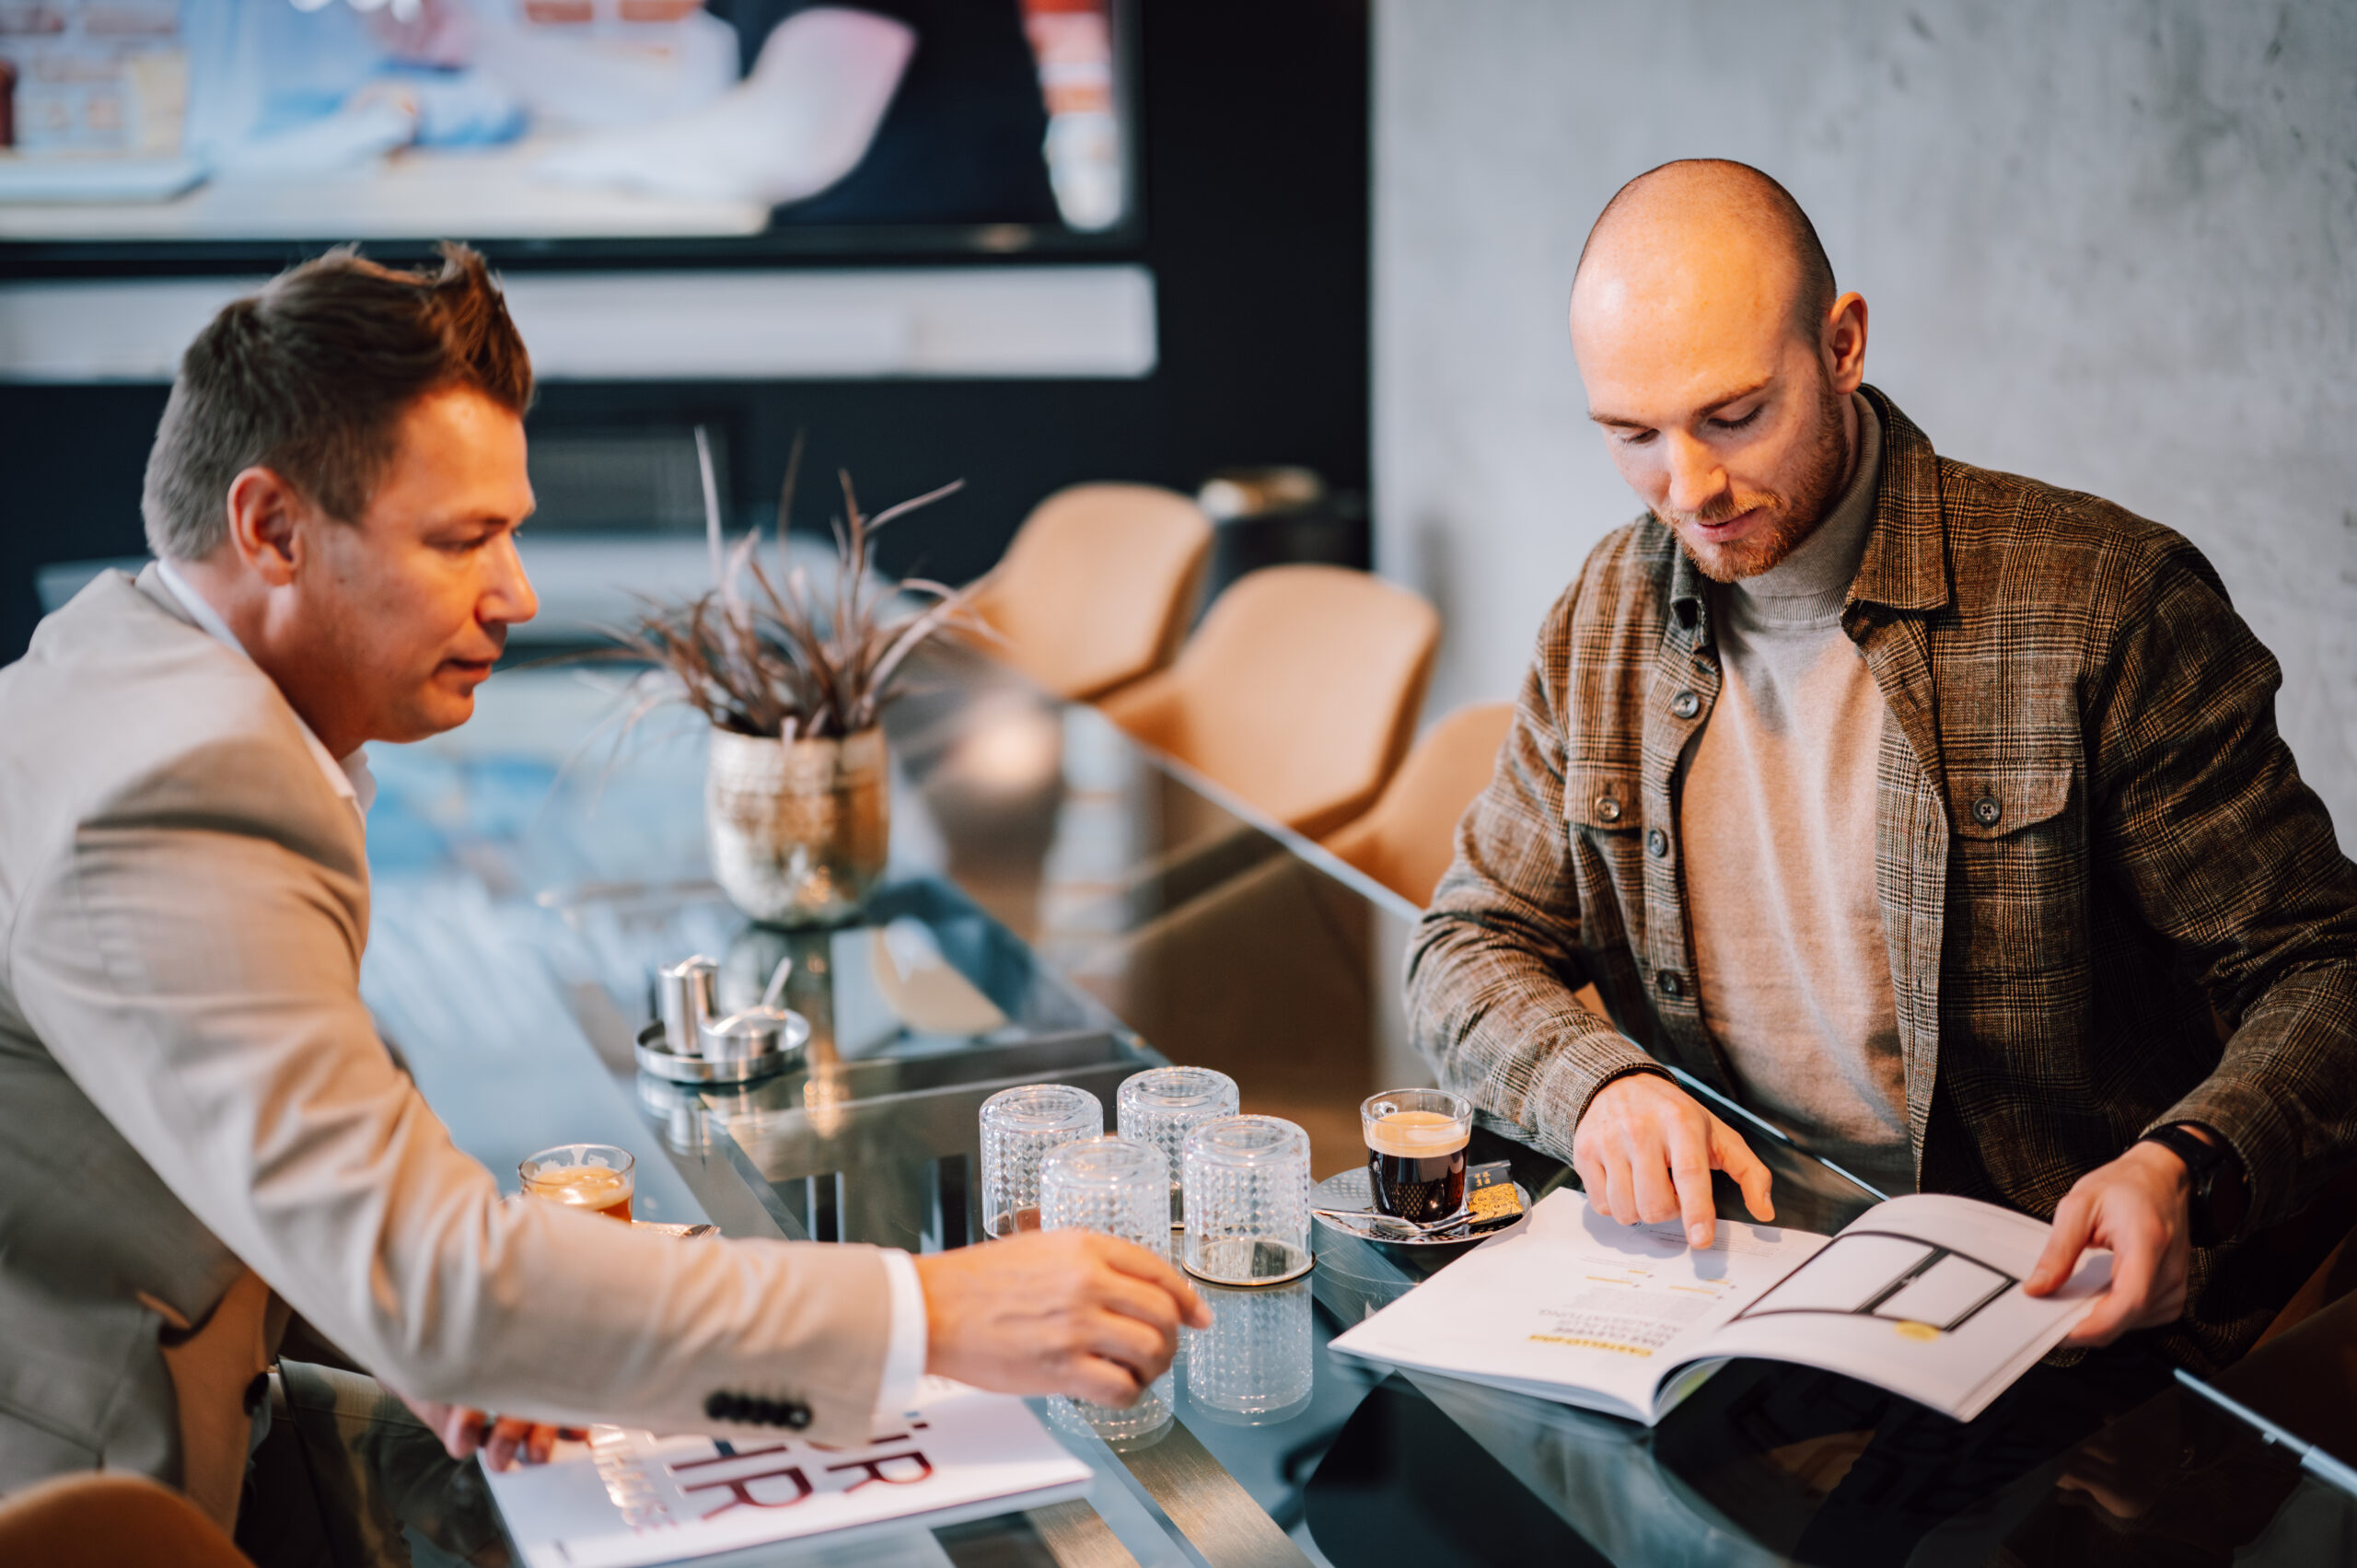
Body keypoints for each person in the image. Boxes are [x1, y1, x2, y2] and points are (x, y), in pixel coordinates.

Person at [0, 243, 1207, 1539]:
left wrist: (490, 1325)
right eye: (465, 540)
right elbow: (437, 1286)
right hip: (112, 1495)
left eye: (510, 534)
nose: (515, 594)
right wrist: (939, 1314)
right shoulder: (181, 783)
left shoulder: (114, 666)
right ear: (272, 529)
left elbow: (350, 1199)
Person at [1411, 159, 2357, 1374]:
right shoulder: (1607, 610)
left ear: (1843, 344)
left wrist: (2189, 1165)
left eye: (1735, 416)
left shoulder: (2102, 606)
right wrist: (1597, 1087)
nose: (1688, 490)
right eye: (1633, 435)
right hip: (1744, 1279)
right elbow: (1463, 946)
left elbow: (2322, 966)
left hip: (2060, 1315)